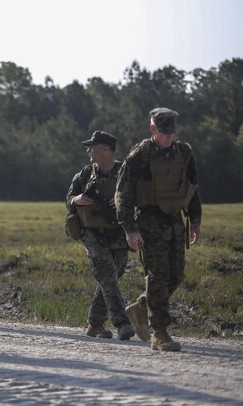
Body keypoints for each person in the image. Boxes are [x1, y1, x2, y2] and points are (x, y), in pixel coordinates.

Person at [116, 108, 202, 352]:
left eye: (171, 133)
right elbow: (123, 195)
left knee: (176, 276)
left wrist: (195, 220)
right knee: (157, 275)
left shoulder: (184, 153)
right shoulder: (139, 157)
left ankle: (142, 306)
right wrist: (129, 229)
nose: (168, 138)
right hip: (148, 222)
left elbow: (193, 187)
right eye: (163, 133)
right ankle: (159, 333)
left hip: (174, 223)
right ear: (152, 129)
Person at [67, 131, 135, 340]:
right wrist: (77, 199)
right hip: (92, 235)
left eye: (92, 146)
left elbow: (141, 197)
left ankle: (95, 324)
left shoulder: (126, 173)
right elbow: (69, 199)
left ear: (106, 149)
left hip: (118, 234)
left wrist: (124, 201)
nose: (88, 150)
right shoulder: (85, 174)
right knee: (107, 276)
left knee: (113, 277)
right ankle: (122, 323)